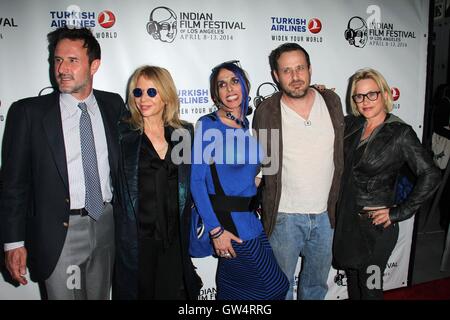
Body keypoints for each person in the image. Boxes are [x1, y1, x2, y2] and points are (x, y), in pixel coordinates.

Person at [0, 26, 126, 299]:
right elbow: (13, 185)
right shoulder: (28, 113)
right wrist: (13, 242)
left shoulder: (113, 105)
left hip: (106, 224)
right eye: (58, 60)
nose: (62, 69)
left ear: (94, 65)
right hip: (59, 231)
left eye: (72, 60)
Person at [332, 68, 441, 299]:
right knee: (353, 284)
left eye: (371, 94)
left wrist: (398, 212)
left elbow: (431, 174)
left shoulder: (400, 133)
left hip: (376, 230)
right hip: (348, 223)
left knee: (371, 288)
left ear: (384, 94)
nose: (365, 101)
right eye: (359, 96)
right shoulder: (352, 125)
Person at [252, 42, 344, 300]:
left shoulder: (332, 101)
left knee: (316, 286)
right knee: (279, 288)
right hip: (285, 218)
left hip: (327, 216)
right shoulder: (267, 111)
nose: (295, 77)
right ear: (276, 76)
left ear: (310, 69)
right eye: (287, 70)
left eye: (300, 68)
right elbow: (264, 160)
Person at [190, 60, 289, 300]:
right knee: (275, 289)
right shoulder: (208, 125)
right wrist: (215, 231)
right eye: (222, 84)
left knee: (234, 289)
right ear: (216, 93)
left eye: (234, 81)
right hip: (229, 226)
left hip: (251, 221)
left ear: (245, 85)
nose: (229, 88)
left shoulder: (244, 125)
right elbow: (197, 183)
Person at [114, 65, 202, 300]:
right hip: (138, 240)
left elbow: (193, 180)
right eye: (138, 92)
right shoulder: (123, 134)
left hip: (174, 239)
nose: (143, 99)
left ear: (166, 96)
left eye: (152, 92)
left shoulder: (184, 132)